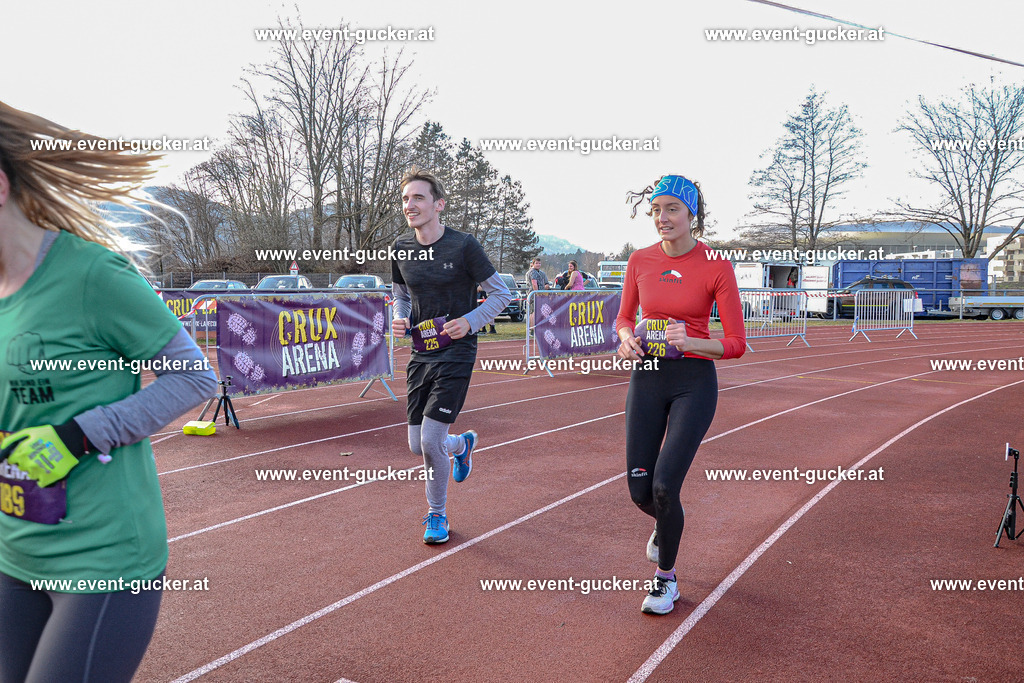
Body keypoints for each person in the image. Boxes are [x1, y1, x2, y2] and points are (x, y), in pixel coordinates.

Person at [0, 101, 218, 681]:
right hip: (12, 554)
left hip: (103, 562)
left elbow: (194, 376)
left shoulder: (92, 276)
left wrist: (75, 436)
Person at [616, 174, 745, 615]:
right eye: (655, 210)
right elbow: (622, 319)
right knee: (640, 492)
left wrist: (690, 342)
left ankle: (665, 581)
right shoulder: (639, 261)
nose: (662, 218)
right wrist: (625, 338)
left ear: (692, 214)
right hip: (647, 376)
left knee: (666, 486)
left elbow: (735, 343)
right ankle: (664, 526)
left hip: (694, 382)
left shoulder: (716, 266)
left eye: (672, 209)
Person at [391, 166, 510, 544]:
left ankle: (436, 516)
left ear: (438, 205)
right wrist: (399, 319)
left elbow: (501, 294)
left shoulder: (463, 245)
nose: (411, 205)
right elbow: (401, 297)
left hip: (457, 353)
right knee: (416, 445)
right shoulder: (400, 249)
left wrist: (469, 322)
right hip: (420, 353)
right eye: (406, 199)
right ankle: (463, 445)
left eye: (419, 198)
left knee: (429, 441)